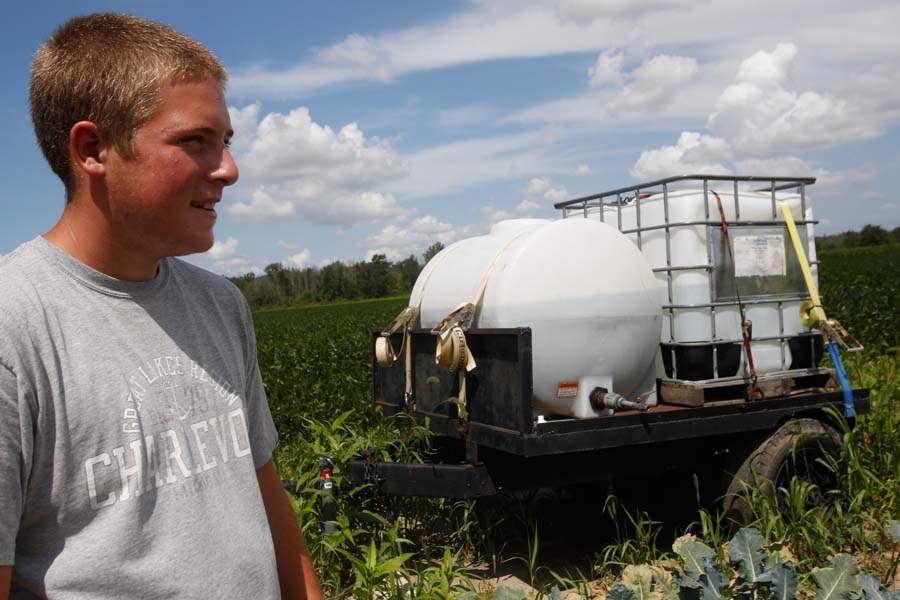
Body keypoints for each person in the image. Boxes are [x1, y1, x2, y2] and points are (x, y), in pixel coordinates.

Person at [0, 13, 322, 599]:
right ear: (93, 149)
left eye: (225, 142)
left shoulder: (220, 304)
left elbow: (265, 494)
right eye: (195, 141)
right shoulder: (14, 326)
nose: (229, 169)